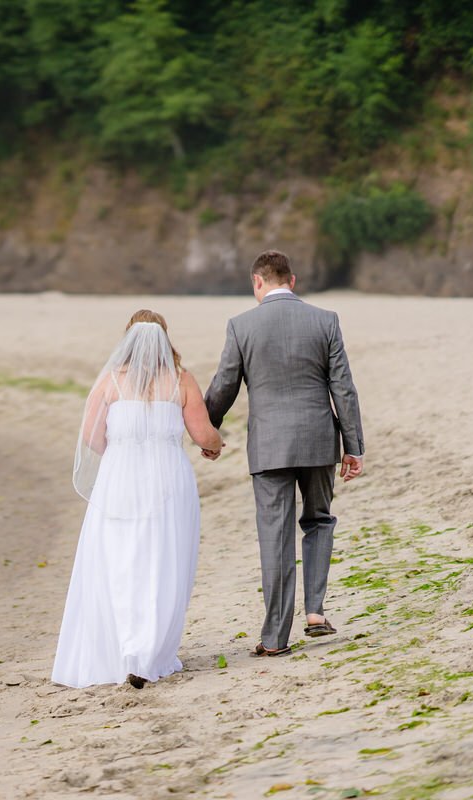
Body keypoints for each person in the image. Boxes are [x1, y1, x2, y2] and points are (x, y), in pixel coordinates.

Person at [204, 250, 365, 658]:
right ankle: (314, 612)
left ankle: (275, 638)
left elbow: (225, 384)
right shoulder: (325, 320)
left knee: (275, 538)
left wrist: (207, 429)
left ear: (257, 282)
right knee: (319, 520)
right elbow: (342, 387)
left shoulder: (241, 326)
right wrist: (353, 446)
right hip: (318, 441)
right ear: (292, 281)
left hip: (270, 445)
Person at [52, 310, 222, 689]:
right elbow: (203, 435)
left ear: (127, 339)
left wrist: (123, 450)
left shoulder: (111, 382)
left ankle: (122, 650)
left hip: (120, 482)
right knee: (163, 561)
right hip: (167, 484)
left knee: (119, 561)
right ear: (165, 339)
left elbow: (92, 437)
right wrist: (216, 446)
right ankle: (148, 652)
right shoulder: (181, 381)